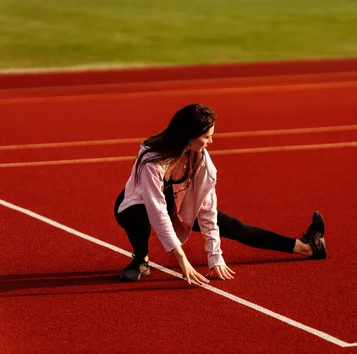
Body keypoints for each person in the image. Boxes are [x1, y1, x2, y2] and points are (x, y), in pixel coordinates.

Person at [113, 103, 326, 284]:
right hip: (136, 204)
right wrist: (181, 259)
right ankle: (141, 260)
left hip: (177, 204)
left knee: (235, 226)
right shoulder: (152, 159)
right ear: (189, 137)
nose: (211, 142)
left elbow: (207, 211)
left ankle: (307, 247)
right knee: (139, 215)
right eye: (207, 137)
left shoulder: (201, 161)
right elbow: (156, 208)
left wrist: (215, 257)